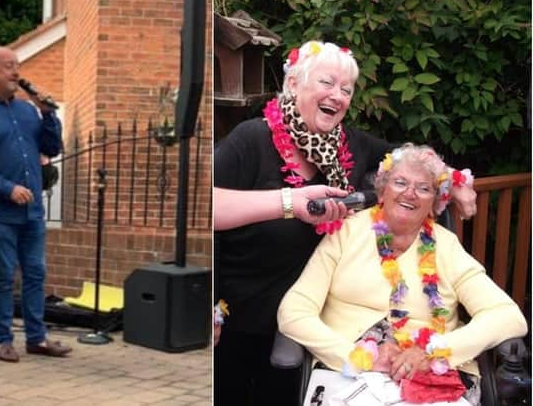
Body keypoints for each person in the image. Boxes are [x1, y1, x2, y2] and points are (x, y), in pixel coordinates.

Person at [213, 41, 477, 405]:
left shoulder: (349, 145)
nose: (336, 96)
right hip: (241, 314)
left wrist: (454, 180)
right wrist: (289, 203)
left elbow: (409, 161)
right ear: (294, 84)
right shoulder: (251, 140)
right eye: (326, 83)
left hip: (310, 320)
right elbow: (205, 208)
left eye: (346, 89)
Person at [277, 143, 527, 405]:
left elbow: (507, 316)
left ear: (434, 204)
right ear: (382, 191)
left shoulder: (447, 247)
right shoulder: (345, 234)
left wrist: (436, 352)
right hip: (350, 373)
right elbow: (294, 311)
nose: (410, 193)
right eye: (400, 183)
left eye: (424, 188)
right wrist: (357, 355)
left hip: (430, 376)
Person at [0, 46, 70, 362]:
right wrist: (8, 188)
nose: (16, 72)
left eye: (17, 65)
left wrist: (48, 114)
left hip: (31, 211)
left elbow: (51, 147)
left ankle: (36, 338)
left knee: (36, 273)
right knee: (5, 275)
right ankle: (3, 339)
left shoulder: (25, 110)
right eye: (8, 66)